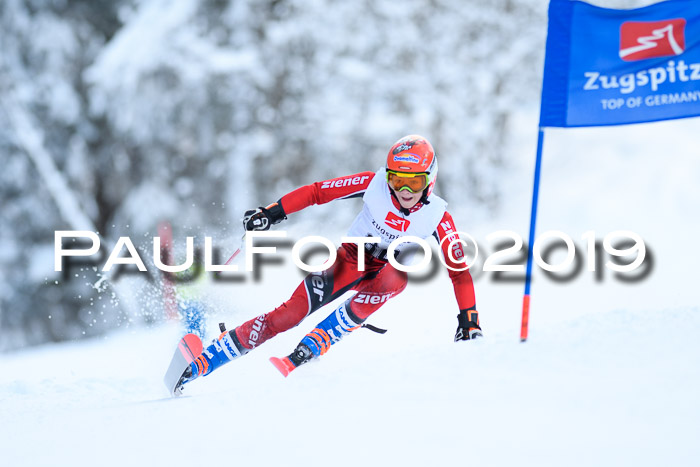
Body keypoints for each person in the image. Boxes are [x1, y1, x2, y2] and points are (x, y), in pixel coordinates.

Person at [180, 135, 481, 384]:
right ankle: (209, 358)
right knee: (287, 316)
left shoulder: (438, 216)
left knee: (396, 275)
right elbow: (317, 192)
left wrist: (469, 320)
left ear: (429, 181)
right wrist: (272, 212)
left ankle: (324, 335)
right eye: (396, 180)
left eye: (413, 184)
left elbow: (460, 272)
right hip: (351, 260)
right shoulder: (373, 185)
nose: (403, 191)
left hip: (388, 276)